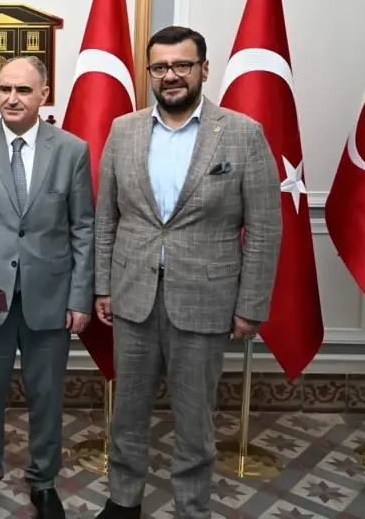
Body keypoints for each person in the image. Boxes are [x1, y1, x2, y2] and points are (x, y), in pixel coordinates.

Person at [93, 26, 282, 519]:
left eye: (182, 65)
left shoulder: (242, 133)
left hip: (205, 301)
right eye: (160, 67)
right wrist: (102, 287)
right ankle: (123, 501)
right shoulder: (123, 130)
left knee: (196, 422)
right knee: (126, 413)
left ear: (203, 68)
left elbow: (265, 228)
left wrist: (251, 306)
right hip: (132, 297)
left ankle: (191, 508)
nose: (171, 75)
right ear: (149, 72)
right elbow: (106, 218)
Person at [0, 56, 94, 519]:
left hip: (50, 295)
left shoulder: (71, 150)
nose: (12, 99)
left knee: (47, 396)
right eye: (5, 89)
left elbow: (83, 229)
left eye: (23, 90)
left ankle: (44, 482)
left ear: (44, 95)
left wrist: (80, 297)